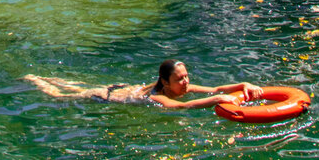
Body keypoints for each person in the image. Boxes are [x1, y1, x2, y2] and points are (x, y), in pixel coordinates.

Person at [23, 59, 263, 109]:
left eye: (186, 76)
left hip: (122, 87)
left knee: (75, 85)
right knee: (62, 96)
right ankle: (35, 79)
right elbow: (180, 107)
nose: (186, 81)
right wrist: (217, 101)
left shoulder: (184, 88)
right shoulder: (158, 96)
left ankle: (49, 77)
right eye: (179, 79)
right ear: (165, 82)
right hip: (106, 96)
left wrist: (245, 84)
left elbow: (218, 88)